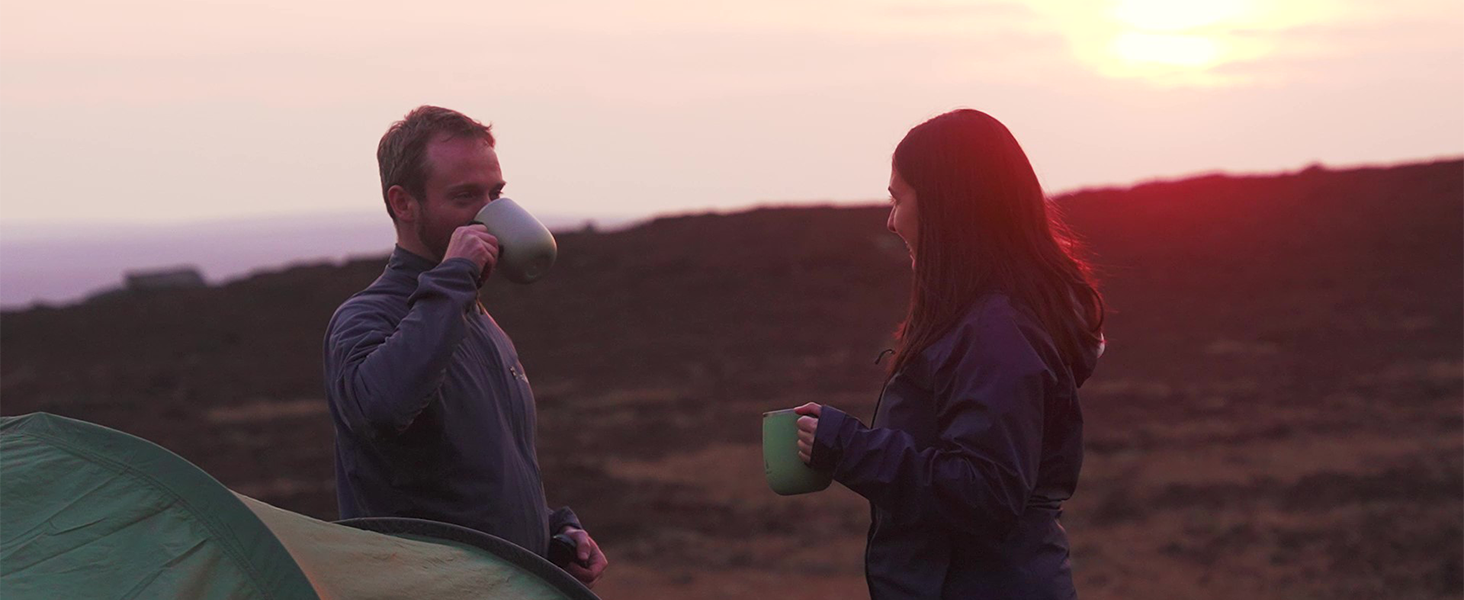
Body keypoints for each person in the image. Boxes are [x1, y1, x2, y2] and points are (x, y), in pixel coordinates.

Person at [794, 109, 1105, 599]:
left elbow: (986, 492)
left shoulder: (996, 332)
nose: (891, 220)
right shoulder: (987, 322)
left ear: (944, 204)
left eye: (897, 198)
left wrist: (848, 447)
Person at [322, 105, 607, 588]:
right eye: (465, 197)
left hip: (506, 586)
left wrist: (555, 529)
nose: (490, 213)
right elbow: (381, 408)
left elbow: (481, 472)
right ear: (403, 203)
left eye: (496, 194)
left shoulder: (472, 317)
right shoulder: (366, 317)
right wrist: (453, 280)